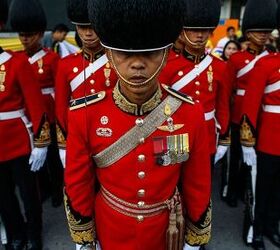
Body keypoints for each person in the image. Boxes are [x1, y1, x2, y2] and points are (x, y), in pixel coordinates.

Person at [64, 0, 212, 249]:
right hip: (110, 229)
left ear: (166, 54)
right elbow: (78, 182)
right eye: (124, 54)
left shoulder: (189, 114)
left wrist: (193, 239)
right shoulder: (85, 114)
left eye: (151, 53)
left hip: (166, 232)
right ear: (109, 54)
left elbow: (197, 183)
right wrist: (85, 239)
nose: (137, 64)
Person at [0, 0, 51, 248]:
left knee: (29, 192)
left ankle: (33, 233)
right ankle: (15, 233)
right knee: (2, 195)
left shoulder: (16, 62)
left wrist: (41, 143)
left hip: (19, 139)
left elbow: (36, 106)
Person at [159, 0, 231, 167]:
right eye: (193, 30)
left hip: (207, 134)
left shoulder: (220, 67)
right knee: (173, 184)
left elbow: (223, 106)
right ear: (182, 32)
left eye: (205, 30)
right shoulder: (167, 65)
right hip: (175, 132)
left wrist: (224, 137)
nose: (200, 35)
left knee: (201, 186)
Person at [10, 0, 64, 208]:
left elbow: (59, 90)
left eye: (30, 35)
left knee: (52, 157)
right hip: (27, 115)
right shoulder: (16, 59)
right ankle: (44, 188)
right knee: (35, 158)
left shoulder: (52, 59)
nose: (25, 40)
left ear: (41, 34)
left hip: (48, 114)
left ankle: (59, 189)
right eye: (22, 35)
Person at [226, 0, 277, 209]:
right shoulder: (237, 59)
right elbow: (228, 89)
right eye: (258, 31)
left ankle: (246, 192)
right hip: (238, 113)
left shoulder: (271, 58)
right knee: (236, 155)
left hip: (262, 115)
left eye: (266, 31)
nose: (263, 35)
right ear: (248, 34)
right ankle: (230, 189)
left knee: (253, 161)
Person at [55, 0, 117, 167]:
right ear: (76, 28)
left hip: (110, 135)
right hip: (78, 137)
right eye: (83, 27)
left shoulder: (116, 61)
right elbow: (61, 108)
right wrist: (63, 146)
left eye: (92, 27)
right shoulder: (65, 64)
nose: (88, 33)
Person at [239, 5, 280, 250]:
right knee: (261, 189)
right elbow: (250, 106)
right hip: (267, 139)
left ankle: (272, 227)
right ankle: (254, 230)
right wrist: (247, 142)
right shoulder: (265, 65)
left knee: (278, 192)